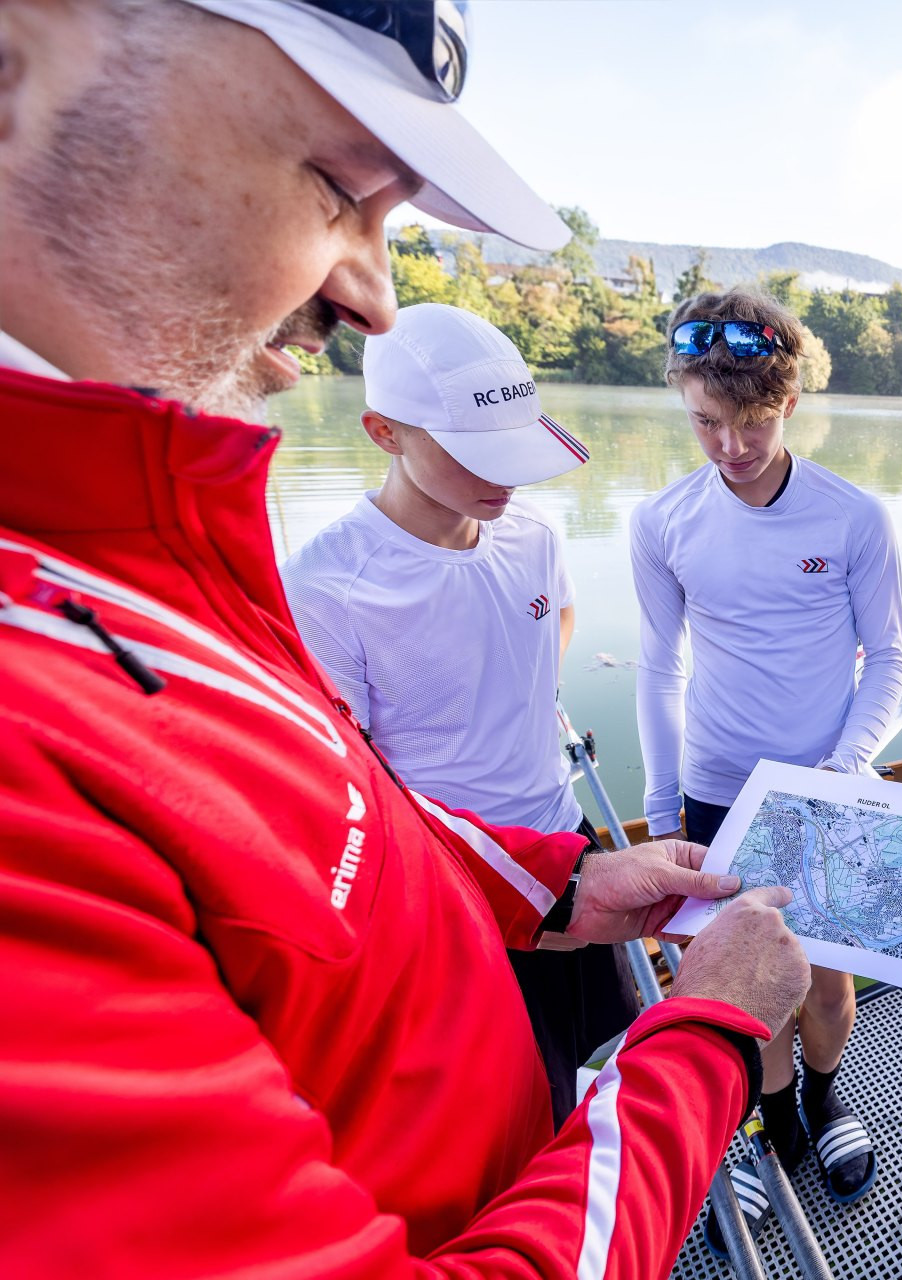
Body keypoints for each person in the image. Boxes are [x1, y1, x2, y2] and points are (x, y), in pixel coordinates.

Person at [0, 2, 810, 1277]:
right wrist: (704, 1038)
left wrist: (552, 885)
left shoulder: (151, 555)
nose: (373, 296)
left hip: (531, 960)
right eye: (335, 183)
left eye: (386, 217)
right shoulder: (54, 708)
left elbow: (330, 833)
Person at [283, 302, 638, 1129]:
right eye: (477, 453)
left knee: (598, 1039)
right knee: (510, 1100)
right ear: (384, 432)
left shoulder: (533, 535)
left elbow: (556, 629)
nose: (507, 478)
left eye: (517, 449)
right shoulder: (328, 586)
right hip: (454, 886)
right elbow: (348, 787)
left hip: (563, 840)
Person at [628, 286, 902, 1252]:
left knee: (824, 984)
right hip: (715, 787)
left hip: (828, 785)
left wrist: (841, 767)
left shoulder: (853, 518)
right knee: (743, 985)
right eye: (707, 420)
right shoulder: (662, 521)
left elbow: (893, 662)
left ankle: (825, 1104)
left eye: (750, 422)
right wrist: (661, 808)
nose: (730, 446)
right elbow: (660, 665)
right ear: (684, 399)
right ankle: (766, 1125)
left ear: (786, 404)